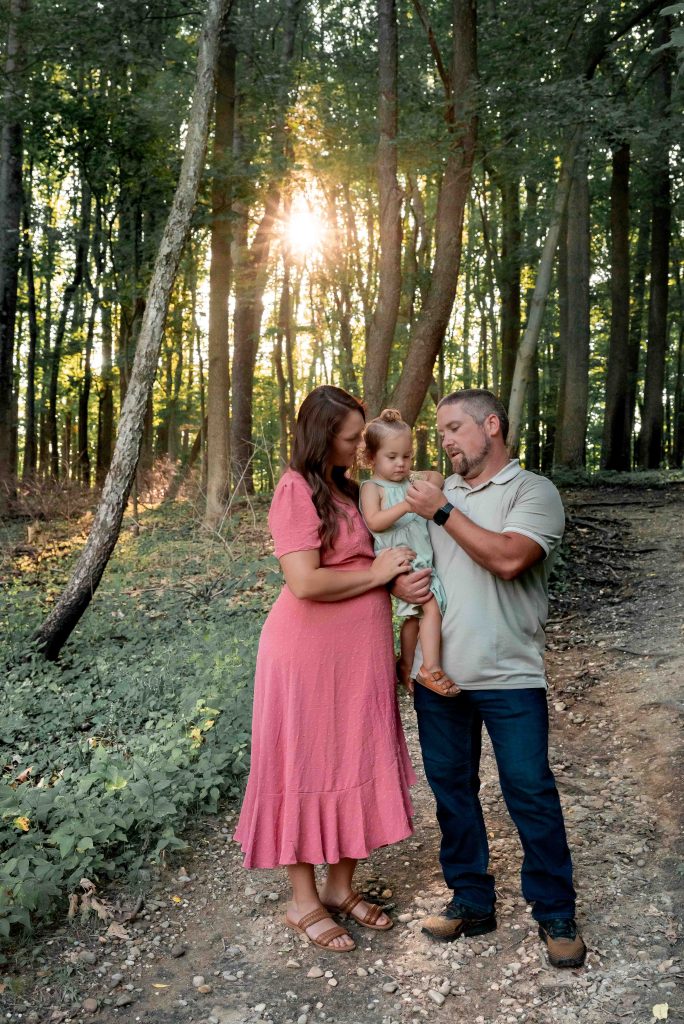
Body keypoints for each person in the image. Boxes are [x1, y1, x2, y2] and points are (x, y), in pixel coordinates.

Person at [395, 388, 586, 969]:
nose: (445, 439)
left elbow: (509, 559)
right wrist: (399, 587)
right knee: (452, 793)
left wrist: (443, 513)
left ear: (492, 425)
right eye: (441, 430)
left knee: (529, 791)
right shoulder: (438, 493)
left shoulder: (533, 492)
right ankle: (472, 900)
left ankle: (554, 910)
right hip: (441, 678)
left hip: (510, 674)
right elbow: (404, 559)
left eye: (454, 427)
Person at [234, 385, 416, 953]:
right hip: (306, 655)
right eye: (349, 437)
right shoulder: (295, 490)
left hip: (357, 657)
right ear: (320, 437)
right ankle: (303, 901)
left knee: (357, 757)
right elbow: (306, 581)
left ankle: (340, 889)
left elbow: (384, 553)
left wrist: (402, 578)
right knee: (304, 764)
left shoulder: (354, 491)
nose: (359, 444)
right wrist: (377, 573)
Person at [358, 408, 458, 698]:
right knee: (431, 607)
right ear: (371, 458)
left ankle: (406, 663)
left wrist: (422, 484)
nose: (401, 464)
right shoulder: (372, 487)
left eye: (407, 456)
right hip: (398, 557)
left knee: (414, 617)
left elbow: (437, 476)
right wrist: (407, 505)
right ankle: (431, 667)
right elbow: (374, 521)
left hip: (420, 556)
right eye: (392, 457)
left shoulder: (408, 481)